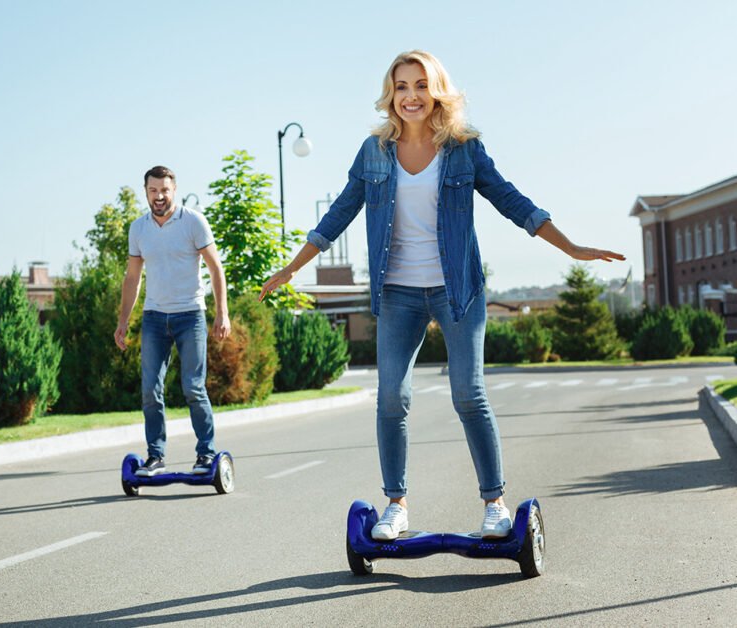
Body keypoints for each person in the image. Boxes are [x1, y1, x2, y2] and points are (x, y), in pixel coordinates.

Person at [260, 50, 624, 540]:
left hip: (458, 289)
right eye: (401, 86)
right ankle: (396, 505)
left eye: (420, 85)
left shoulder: (464, 149)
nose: (410, 96)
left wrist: (572, 247)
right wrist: (292, 268)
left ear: (437, 91)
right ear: (391, 95)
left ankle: (494, 503)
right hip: (397, 292)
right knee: (391, 397)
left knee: (468, 393)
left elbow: (513, 202)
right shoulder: (373, 152)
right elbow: (338, 215)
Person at [115, 165, 231, 477]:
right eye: (153, 191)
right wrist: (123, 320)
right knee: (150, 390)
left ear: (174, 190)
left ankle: (205, 454)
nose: (159, 196)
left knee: (193, 387)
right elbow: (132, 278)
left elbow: (215, 268)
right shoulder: (138, 229)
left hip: (190, 315)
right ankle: (155, 456)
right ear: (146, 192)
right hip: (154, 318)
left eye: (164, 190)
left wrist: (222, 312)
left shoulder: (193, 221)